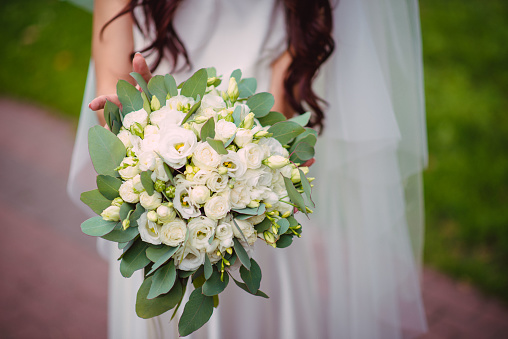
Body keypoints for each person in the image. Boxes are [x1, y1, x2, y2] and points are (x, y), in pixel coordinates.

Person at [68, 0, 428, 338]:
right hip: (155, 192)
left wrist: (273, 144)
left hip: (249, 190)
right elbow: (113, 78)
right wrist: (131, 117)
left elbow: (285, 80)